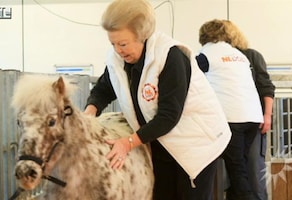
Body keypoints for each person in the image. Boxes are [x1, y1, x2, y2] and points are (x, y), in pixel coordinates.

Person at [84, 0, 232, 199]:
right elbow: (103, 89)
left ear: (142, 35)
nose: (118, 50)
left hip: (195, 144)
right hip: (160, 144)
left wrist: (127, 142)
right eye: (113, 44)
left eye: (123, 43)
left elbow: (169, 116)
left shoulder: (171, 57)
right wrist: (89, 113)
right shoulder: (118, 59)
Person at [196, 19, 266, 200]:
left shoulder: (206, 54)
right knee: (239, 166)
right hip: (252, 117)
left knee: (237, 171)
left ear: (204, 36)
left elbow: (189, 80)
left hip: (231, 118)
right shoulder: (239, 55)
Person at [223, 19, 275, 200]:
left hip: (253, 121)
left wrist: (267, 115)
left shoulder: (251, 56)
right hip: (227, 124)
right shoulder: (215, 61)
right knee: (231, 175)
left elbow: (266, 87)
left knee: (254, 171)